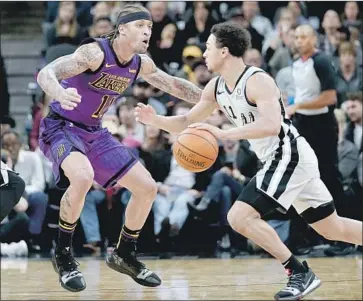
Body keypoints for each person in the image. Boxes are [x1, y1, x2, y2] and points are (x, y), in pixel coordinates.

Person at [135, 22, 363, 300]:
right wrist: (155, 120)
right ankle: (301, 271)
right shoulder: (216, 87)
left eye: (208, 47)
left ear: (225, 51)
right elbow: (186, 121)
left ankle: (299, 272)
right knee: (332, 228)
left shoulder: (258, 80)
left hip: (288, 155)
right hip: (280, 160)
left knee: (239, 217)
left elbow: (270, 124)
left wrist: (225, 132)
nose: (204, 53)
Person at [36, 4, 202, 292]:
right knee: (83, 177)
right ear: (122, 28)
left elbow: (174, 85)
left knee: (147, 188)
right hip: (61, 127)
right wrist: (60, 92)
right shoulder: (95, 53)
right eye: (141, 26)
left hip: (95, 133)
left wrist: (213, 100)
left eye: (150, 28)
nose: (147, 32)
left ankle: (124, 253)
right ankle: (63, 254)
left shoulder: (140, 63)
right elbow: (45, 73)